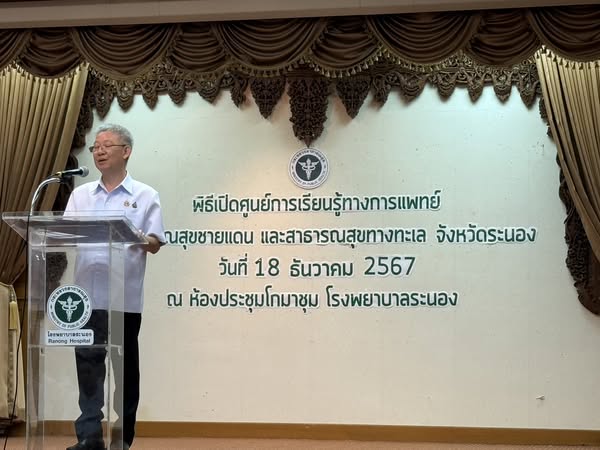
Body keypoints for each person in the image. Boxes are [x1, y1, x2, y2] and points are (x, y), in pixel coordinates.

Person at [64, 124, 165, 450]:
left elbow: (155, 243)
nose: (99, 151)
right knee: (88, 368)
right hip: (85, 299)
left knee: (125, 372)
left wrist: (136, 236)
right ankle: (89, 437)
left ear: (126, 151)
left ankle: (122, 438)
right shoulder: (80, 195)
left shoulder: (145, 195)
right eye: (95, 147)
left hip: (124, 299)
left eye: (107, 145)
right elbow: (62, 235)